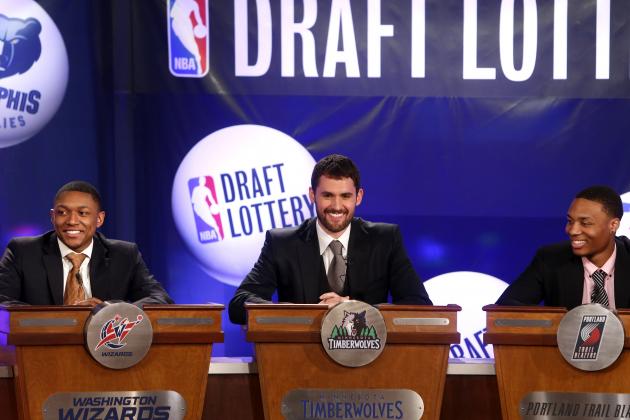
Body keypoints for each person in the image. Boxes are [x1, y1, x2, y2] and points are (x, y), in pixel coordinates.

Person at [228, 154, 432, 324]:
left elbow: (419, 304)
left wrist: (353, 308)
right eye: (327, 195)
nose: (336, 206)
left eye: (345, 196)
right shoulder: (282, 243)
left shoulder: (385, 240)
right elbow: (238, 304)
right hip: (299, 356)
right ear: (312, 195)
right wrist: (293, 312)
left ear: (358, 197)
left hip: (369, 356)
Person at [0, 181, 173, 307]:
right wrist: (59, 317)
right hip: (41, 343)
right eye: (62, 212)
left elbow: (160, 299)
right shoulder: (23, 252)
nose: (72, 221)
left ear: (99, 219)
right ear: (52, 217)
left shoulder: (124, 255)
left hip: (105, 344)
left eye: (83, 213)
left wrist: (108, 310)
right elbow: (2, 301)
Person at [496, 185, 630, 309]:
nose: (572, 230)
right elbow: (506, 307)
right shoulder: (550, 259)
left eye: (585, 223)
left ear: (613, 225)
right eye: (570, 221)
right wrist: (551, 321)